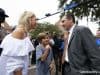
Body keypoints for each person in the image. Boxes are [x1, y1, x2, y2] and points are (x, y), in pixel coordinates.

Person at [0, 11, 37, 75]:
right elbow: (15, 65)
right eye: (35, 20)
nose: (37, 22)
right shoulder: (20, 32)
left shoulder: (23, 32)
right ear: (29, 19)